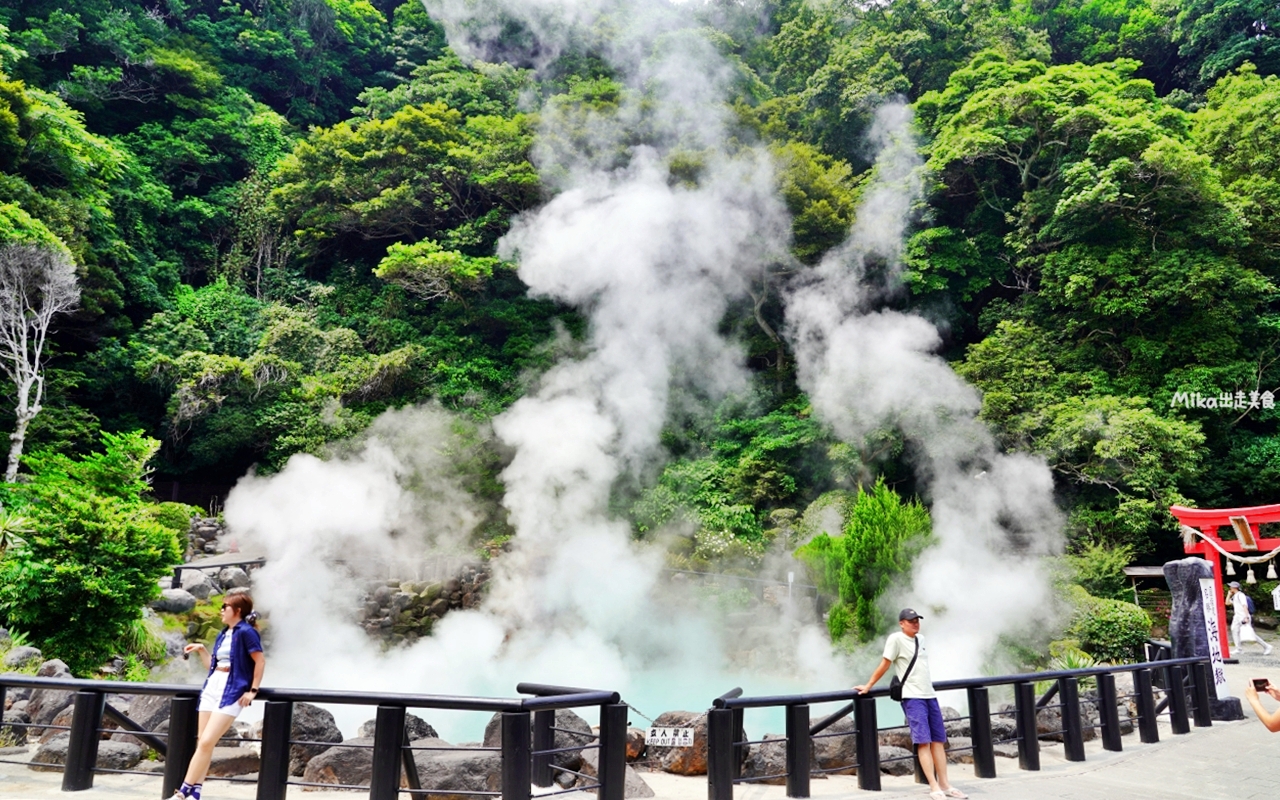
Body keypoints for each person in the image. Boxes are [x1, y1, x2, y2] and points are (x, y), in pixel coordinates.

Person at [855, 609, 966, 800]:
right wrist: (869, 685)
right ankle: (933, 786)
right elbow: (885, 664)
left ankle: (945, 784)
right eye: (910, 621)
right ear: (901, 623)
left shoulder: (920, 639)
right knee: (923, 741)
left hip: (930, 695)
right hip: (912, 697)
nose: (915, 623)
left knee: (938, 740)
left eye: (917, 620)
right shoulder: (895, 639)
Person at [172, 591, 265, 799]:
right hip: (212, 686)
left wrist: (252, 691)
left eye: (225, 607)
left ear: (238, 610)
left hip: (231, 689)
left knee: (206, 742)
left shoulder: (246, 632)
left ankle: (183, 793)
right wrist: (202, 650)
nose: (221, 610)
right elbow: (213, 667)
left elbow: (260, 661)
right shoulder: (224, 633)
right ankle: (196, 793)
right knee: (203, 743)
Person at [1228, 581, 1273, 656]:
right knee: (1234, 630)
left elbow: (1244, 605)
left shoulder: (1241, 595)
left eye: (1231, 586)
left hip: (1243, 616)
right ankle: (1238, 649)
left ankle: (1267, 646)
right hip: (1237, 616)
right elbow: (1227, 603)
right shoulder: (1235, 596)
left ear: (1234, 587)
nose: (1230, 588)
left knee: (1251, 634)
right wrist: (1229, 595)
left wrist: (1246, 617)